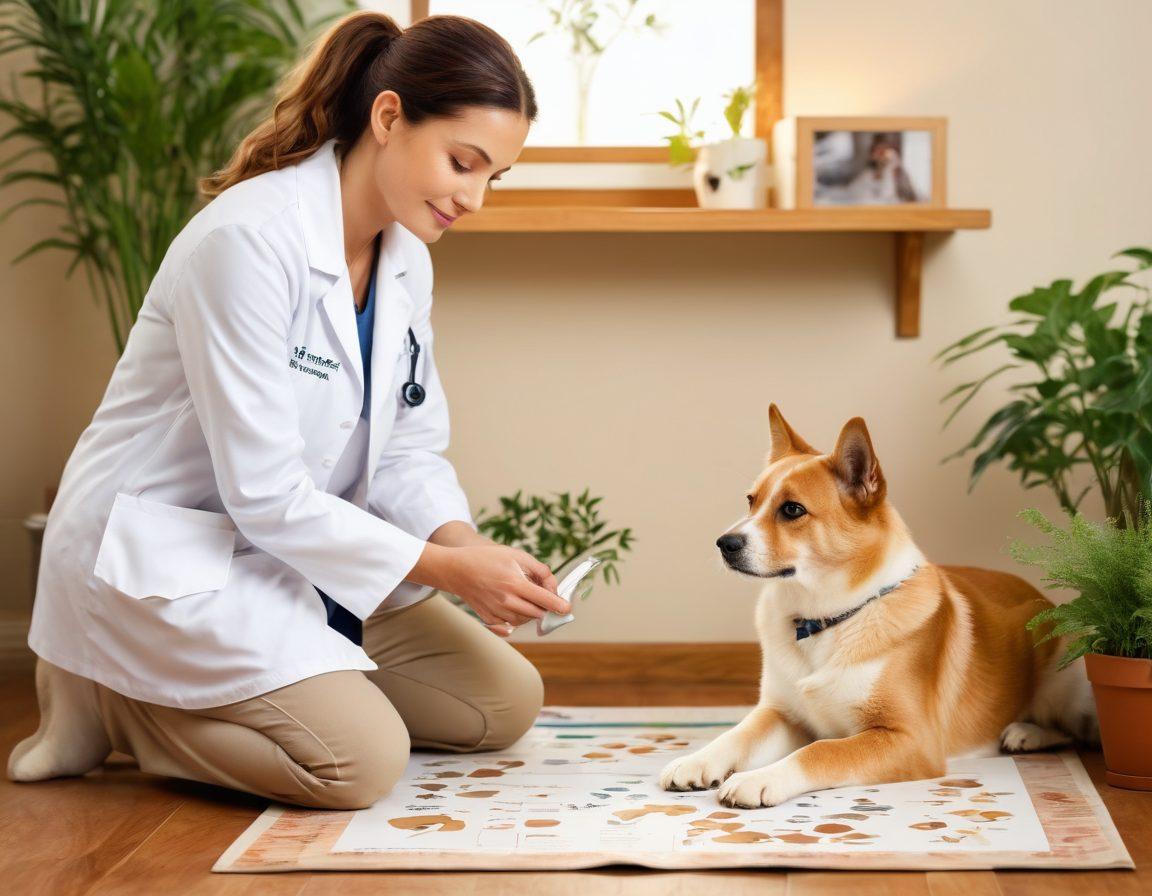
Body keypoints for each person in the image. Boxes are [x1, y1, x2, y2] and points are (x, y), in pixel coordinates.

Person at [7, 11, 570, 811]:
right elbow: (264, 493)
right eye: (463, 163)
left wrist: (465, 545)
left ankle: (282, 673)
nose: (475, 198)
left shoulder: (405, 261)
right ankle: (115, 700)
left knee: (503, 704)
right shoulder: (247, 242)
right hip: (166, 555)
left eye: (494, 177)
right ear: (388, 118)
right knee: (362, 764)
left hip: (296, 554)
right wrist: (445, 572)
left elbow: (408, 448)